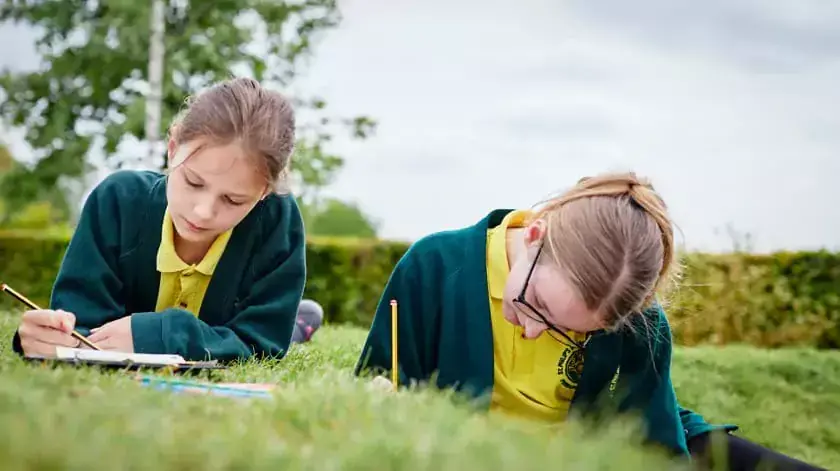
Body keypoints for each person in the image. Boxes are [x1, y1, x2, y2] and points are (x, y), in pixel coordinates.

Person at [355, 172, 825, 470]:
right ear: (536, 235)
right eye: (535, 301)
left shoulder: (642, 324)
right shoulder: (434, 265)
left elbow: (655, 443)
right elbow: (378, 389)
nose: (535, 330)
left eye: (572, 332)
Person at [12, 77, 309, 363]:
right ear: (172, 148)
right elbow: (80, 325)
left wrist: (158, 333)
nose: (202, 212)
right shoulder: (116, 201)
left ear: (264, 192)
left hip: (223, 328)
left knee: (286, 333)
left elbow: (262, 343)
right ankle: (300, 322)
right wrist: (52, 337)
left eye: (232, 200)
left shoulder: (277, 220)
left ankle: (298, 326)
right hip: (210, 334)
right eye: (193, 182)